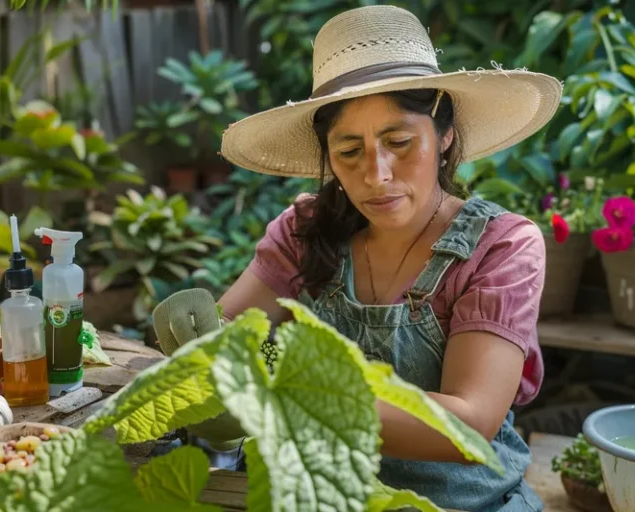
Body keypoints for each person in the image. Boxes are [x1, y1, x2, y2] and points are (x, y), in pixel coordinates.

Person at [215, 4, 562, 512]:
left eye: (399, 142)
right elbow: (218, 336)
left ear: (444, 136)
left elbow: (467, 424)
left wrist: (291, 398)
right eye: (349, 151)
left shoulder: (501, 246)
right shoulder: (306, 231)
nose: (376, 174)